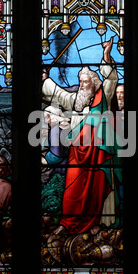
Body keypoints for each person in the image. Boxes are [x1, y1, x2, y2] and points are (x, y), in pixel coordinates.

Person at [41, 37, 121, 234]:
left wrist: (106, 56)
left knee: (95, 192)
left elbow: (111, 79)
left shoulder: (103, 97)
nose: (82, 85)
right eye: (80, 81)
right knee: (72, 191)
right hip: (78, 153)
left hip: (97, 155)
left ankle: (94, 225)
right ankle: (68, 223)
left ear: (94, 84)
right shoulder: (77, 100)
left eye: (85, 82)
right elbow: (59, 95)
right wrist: (45, 80)